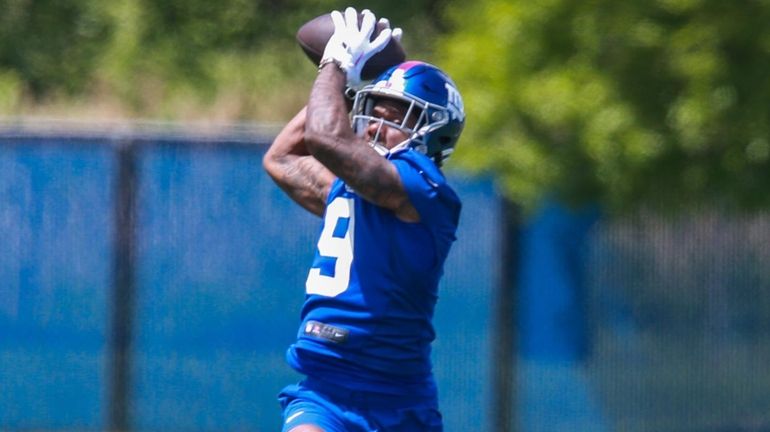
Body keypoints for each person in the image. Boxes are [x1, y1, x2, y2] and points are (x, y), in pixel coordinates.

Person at [262, 7, 465, 432]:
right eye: (372, 109)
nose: (373, 126)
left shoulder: (424, 192)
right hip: (325, 390)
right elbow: (283, 157)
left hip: (398, 400)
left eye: (394, 118)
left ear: (432, 131)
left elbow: (324, 139)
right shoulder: (356, 188)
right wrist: (351, 82)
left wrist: (335, 65)